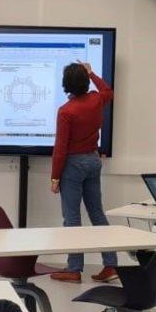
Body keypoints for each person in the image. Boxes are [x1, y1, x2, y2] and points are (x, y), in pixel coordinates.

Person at [49, 61, 118, 284]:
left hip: (73, 165)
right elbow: (108, 90)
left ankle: (74, 268)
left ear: (65, 84)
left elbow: (61, 147)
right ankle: (111, 265)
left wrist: (55, 176)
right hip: (93, 160)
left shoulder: (66, 111)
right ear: (86, 81)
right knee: (97, 213)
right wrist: (92, 72)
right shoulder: (96, 99)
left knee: (72, 218)